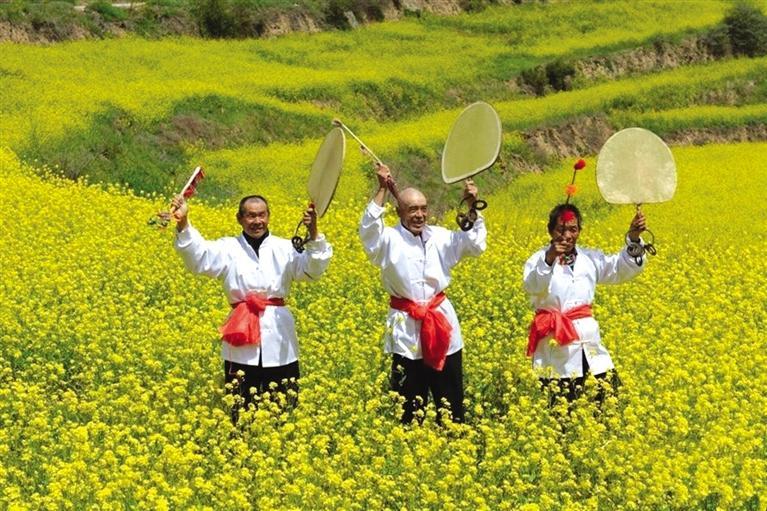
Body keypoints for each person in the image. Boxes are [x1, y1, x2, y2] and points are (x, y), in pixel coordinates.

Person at [168, 194, 332, 416]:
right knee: (240, 405)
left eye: (262, 215)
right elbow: (199, 258)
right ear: (239, 218)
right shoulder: (228, 247)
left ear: (269, 216)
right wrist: (183, 222)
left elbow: (313, 271)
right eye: (251, 216)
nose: (257, 221)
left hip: (278, 333)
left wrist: (313, 234)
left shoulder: (285, 248)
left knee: (284, 405)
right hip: (241, 331)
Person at [359, 164, 487, 423]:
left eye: (423, 209)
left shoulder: (441, 237)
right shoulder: (387, 240)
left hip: (442, 325)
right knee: (407, 404)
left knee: (450, 401)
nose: (419, 215)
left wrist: (472, 206)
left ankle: (452, 437)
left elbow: (474, 244)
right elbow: (369, 231)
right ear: (398, 212)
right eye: (412, 209)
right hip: (406, 329)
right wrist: (382, 190)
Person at [523, 203, 647, 406]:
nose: (567, 235)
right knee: (562, 409)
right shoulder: (538, 259)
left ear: (579, 231)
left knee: (611, 404)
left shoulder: (589, 258)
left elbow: (620, 268)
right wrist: (550, 258)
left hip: (589, 342)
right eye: (561, 229)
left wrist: (633, 238)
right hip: (556, 345)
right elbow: (533, 286)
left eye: (573, 229)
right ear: (550, 230)